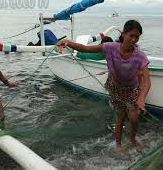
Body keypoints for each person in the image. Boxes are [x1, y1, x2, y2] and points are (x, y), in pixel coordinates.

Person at [57, 20, 151, 156]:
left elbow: (147, 81)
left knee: (134, 118)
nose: (134, 39)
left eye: (137, 37)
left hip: (131, 89)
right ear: (124, 34)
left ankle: (132, 139)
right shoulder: (109, 47)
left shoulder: (140, 56)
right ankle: (118, 144)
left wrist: (141, 98)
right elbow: (85, 48)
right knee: (120, 117)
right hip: (115, 88)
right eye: (131, 35)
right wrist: (67, 42)